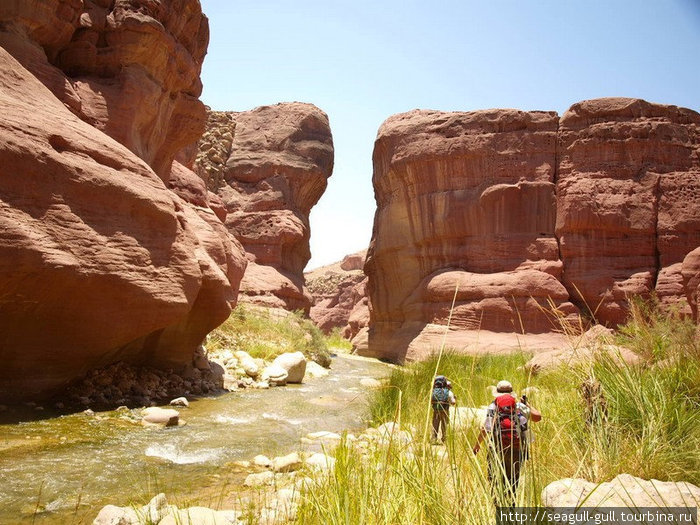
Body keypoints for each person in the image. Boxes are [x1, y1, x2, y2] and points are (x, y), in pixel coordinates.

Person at [472, 380, 541, 506]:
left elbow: (486, 429)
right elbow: (538, 417)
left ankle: (498, 507)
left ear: (497, 393)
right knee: (513, 480)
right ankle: (511, 507)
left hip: (498, 448)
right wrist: (528, 404)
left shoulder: (493, 406)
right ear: (511, 392)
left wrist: (477, 445)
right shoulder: (519, 406)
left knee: (495, 478)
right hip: (516, 449)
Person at [431, 375, 456, 443]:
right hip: (445, 410)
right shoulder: (448, 392)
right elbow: (453, 402)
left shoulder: (434, 391)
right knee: (444, 425)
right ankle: (444, 439)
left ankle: (433, 438)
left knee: (435, 424)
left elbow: (431, 401)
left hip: (436, 410)